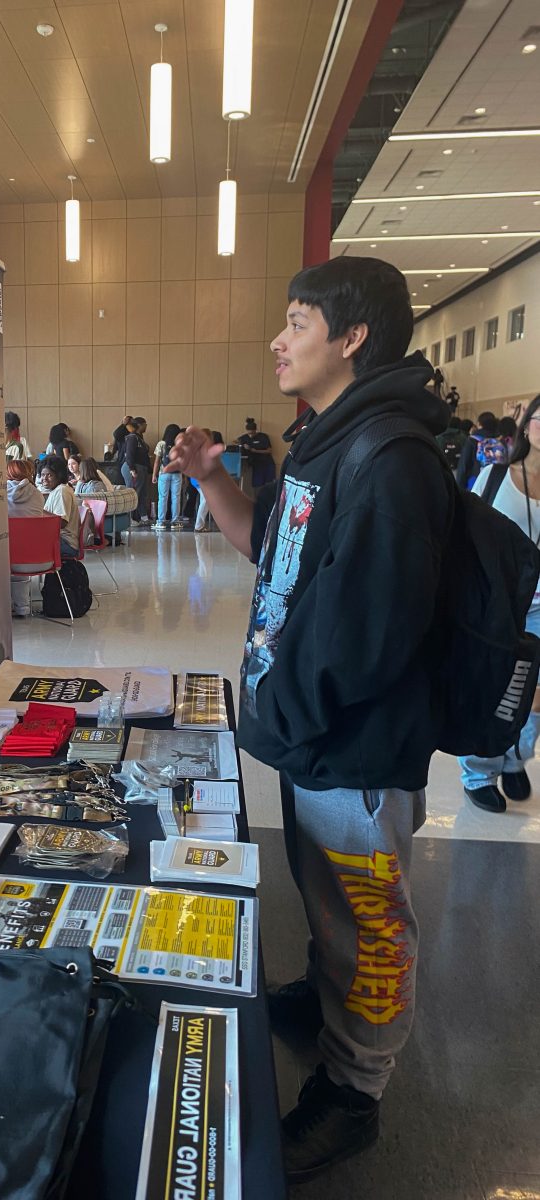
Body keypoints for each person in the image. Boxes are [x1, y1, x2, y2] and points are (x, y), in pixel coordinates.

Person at [165, 256, 453, 1182]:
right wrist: (212, 479)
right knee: (325, 891)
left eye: (297, 322)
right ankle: (326, 1003)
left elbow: (372, 639)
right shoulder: (327, 441)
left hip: (352, 744)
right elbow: (272, 556)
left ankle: (354, 1093)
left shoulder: (392, 458)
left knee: (368, 919)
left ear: (353, 336)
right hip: (309, 734)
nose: (279, 340)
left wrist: (286, 710)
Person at [459, 395, 540, 812]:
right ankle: (479, 772)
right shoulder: (494, 476)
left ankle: (515, 757)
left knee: (536, 697)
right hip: (500, 601)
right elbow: (468, 534)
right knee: (495, 686)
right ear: (526, 425)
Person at [6, 459, 46, 617]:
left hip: (8, 555)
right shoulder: (37, 495)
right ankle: (23, 606)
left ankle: (7, 604)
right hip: (38, 556)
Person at [38, 455, 80, 558]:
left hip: (66, 543)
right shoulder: (56, 490)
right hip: (59, 540)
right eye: (43, 475)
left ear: (59, 476)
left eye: (49, 475)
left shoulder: (62, 491)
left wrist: (38, 511)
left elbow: (61, 522)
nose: (44, 479)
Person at [456, 411, 506, 490]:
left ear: (479, 424)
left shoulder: (473, 440)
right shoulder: (500, 440)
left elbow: (464, 466)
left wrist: (459, 488)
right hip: (496, 483)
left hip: (476, 482)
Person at [152, 424, 183, 529]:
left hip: (164, 473)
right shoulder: (180, 444)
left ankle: (160, 522)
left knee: (162, 498)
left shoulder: (161, 444)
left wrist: (154, 475)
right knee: (176, 498)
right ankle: (175, 522)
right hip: (177, 474)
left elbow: (157, 461)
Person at [122, 417, 151, 523]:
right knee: (134, 494)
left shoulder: (139, 437)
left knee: (142, 493)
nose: (146, 426)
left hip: (141, 468)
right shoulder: (132, 437)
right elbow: (129, 454)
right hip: (134, 468)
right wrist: (132, 469)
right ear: (139, 425)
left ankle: (144, 517)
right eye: (145, 424)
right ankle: (129, 518)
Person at [238, 418, 276, 493]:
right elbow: (236, 442)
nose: (251, 435)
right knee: (257, 486)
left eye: (252, 433)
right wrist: (242, 445)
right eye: (249, 433)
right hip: (255, 464)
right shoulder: (244, 438)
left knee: (269, 484)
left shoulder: (263, 437)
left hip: (266, 462)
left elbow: (269, 450)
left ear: (256, 430)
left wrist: (256, 451)